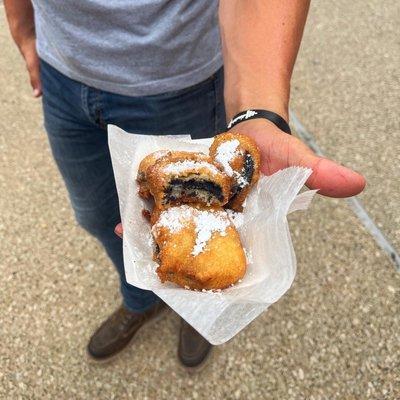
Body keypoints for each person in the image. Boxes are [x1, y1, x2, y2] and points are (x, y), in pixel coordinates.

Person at [5, 0, 365, 370]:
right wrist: (24, 31)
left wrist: (257, 110)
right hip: (61, 72)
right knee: (97, 216)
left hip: (180, 81)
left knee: (173, 241)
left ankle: (196, 312)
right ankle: (141, 300)